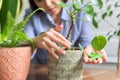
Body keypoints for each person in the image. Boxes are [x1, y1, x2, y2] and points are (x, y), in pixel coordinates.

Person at [24, 0, 108, 64]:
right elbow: (23, 44)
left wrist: (89, 49)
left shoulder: (79, 11)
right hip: (41, 70)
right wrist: (35, 41)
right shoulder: (31, 14)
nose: (48, 4)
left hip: (71, 69)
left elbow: (85, 43)